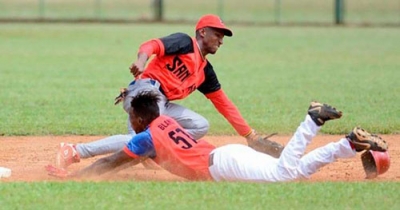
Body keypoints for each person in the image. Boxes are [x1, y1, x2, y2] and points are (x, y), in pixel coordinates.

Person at [55, 14, 284, 169]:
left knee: (200, 125)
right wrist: (141, 61)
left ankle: (152, 149)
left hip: (162, 104)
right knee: (140, 140)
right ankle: (75, 151)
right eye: (218, 34)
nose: (221, 41)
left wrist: (249, 136)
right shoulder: (185, 43)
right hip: (145, 93)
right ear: (202, 32)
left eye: (222, 37)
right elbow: (152, 45)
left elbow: (224, 104)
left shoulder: (205, 71)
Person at [47, 91, 389, 182]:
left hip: (223, 166)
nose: (130, 123)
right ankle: (346, 145)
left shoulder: (144, 137)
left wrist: (76, 178)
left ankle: (312, 121)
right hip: (225, 157)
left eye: (131, 118)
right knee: (295, 172)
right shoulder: (166, 124)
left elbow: (111, 161)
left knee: (285, 174)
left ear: (138, 118)